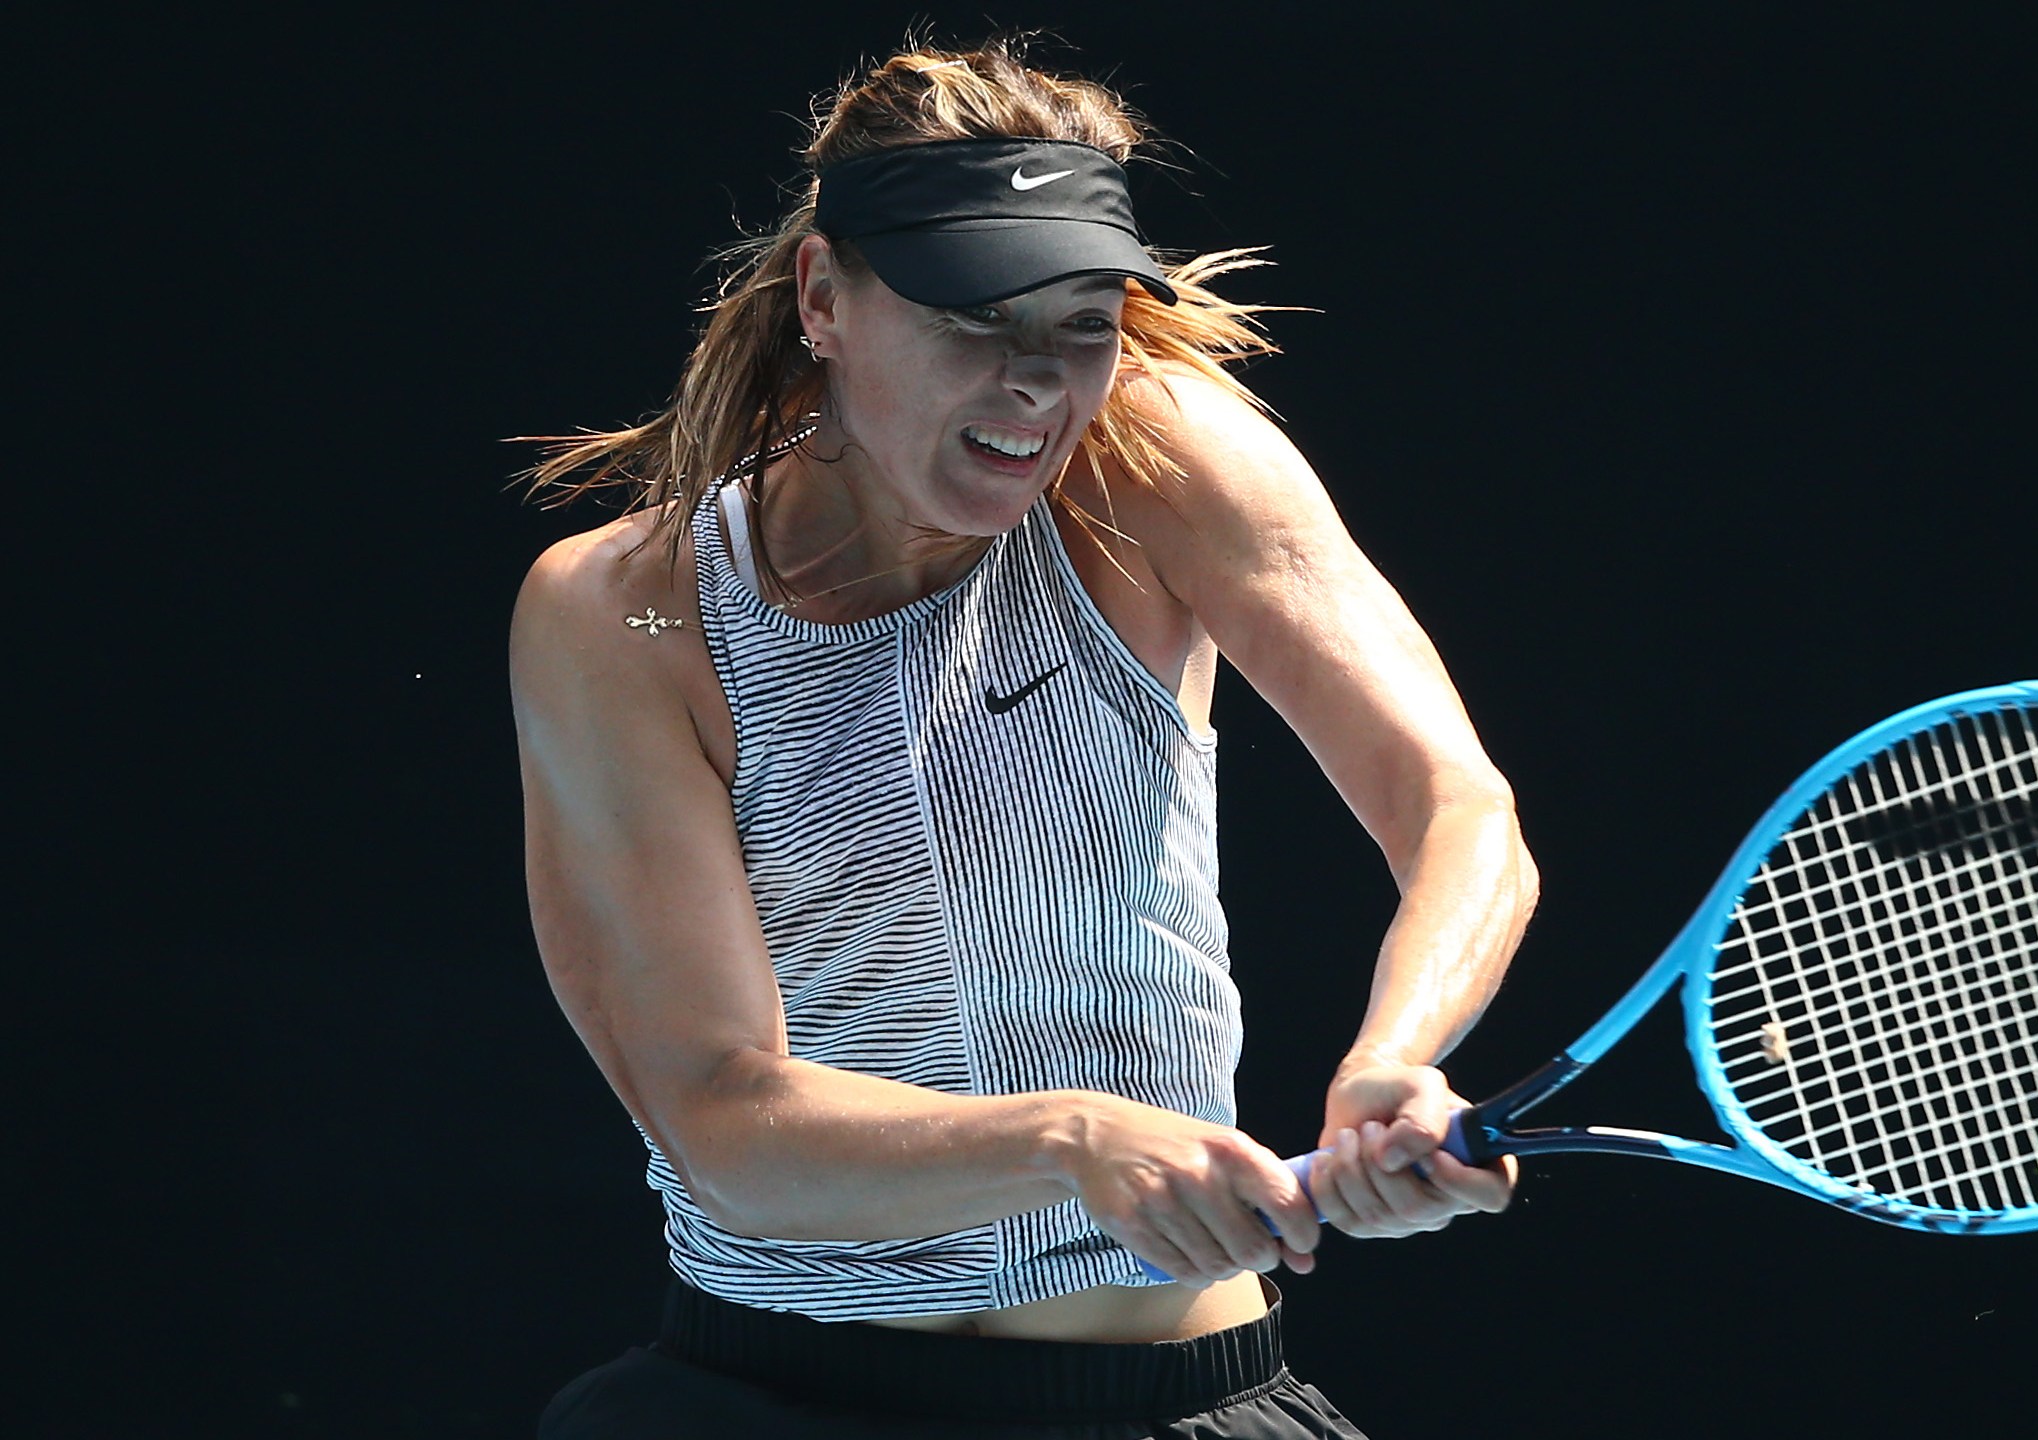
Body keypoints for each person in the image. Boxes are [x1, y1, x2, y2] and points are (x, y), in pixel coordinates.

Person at [511, 37, 1538, 1438]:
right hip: (762, 1395)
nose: (1038, 385)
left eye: (1080, 322)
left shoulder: (1161, 460)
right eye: (974, 318)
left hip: (1176, 1392)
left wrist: (1384, 1069)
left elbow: (1458, 811)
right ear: (824, 295)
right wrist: (1070, 1141)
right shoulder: (626, 614)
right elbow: (723, 1126)